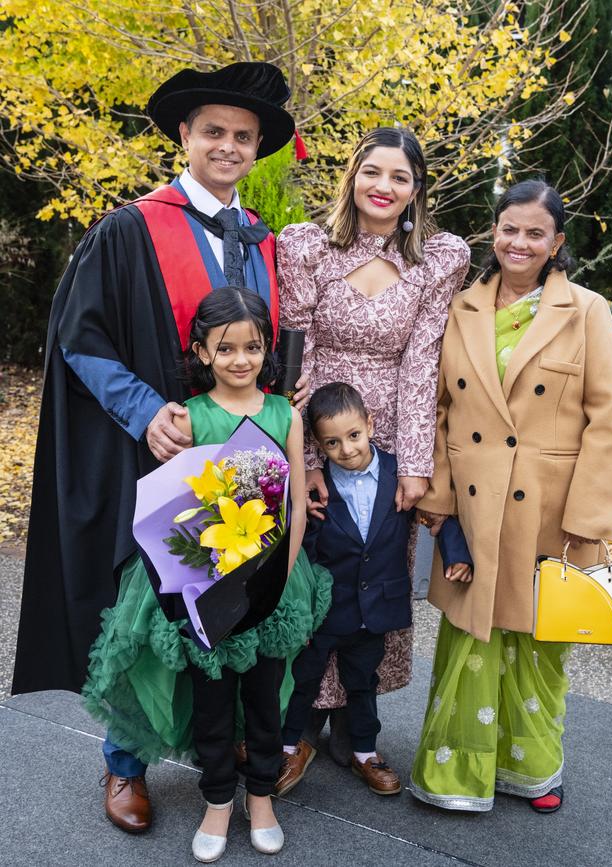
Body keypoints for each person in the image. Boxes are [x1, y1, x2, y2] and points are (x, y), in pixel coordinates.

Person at [12, 61, 309, 831]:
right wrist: (146, 411)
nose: (230, 146)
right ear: (185, 135)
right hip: (157, 452)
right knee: (144, 609)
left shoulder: (261, 239)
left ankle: (231, 749)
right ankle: (125, 763)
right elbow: (80, 337)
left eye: (244, 137)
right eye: (214, 131)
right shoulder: (132, 226)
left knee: (232, 602)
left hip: (241, 457)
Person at [83, 286, 332, 860]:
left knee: (267, 699)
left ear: (267, 348)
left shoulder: (284, 414)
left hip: (273, 579)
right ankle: (217, 801)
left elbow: (294, 501)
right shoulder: (188, 418)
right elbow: (178, 507)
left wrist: (282, 572)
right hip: (206, 581)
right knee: (214, 699)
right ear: (202, 353)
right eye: (225, 349)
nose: (240, 359)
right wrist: (206, 580)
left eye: (251, 347)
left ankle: (261, 798)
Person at [411, 179, 612, 814]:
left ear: (557, 243)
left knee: (539, 644)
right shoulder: (463, 307)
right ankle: (457, 774)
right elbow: (442, 412)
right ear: (493, 233)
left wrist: (590, 518)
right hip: (476, 507)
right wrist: (441, 502)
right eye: (510, 229)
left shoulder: (587, 310)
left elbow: (607, 419)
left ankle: (531, 767)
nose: (520, 243)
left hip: (549, 510)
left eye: (536, 233)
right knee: (469, 640)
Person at [276, 126, 470, 755]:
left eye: (400, 177)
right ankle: (296, 720)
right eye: (373, 172)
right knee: (313, 566)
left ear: (416, 190)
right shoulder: (309, 247)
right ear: (352, 176)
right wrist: (304, 458)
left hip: (386, 431)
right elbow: (295, 356)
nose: (383, 187)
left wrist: (414, 465)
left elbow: (422, 364)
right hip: (318, 430)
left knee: (371, 573)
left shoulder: (436, 261)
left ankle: (352, 723)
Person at [276, 383, 473, 798]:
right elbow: (305, 551)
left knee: (362, 684)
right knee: (304, 679)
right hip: (325, 609)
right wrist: (300, 610)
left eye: (353, 436)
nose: (345, 449)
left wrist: (457, 555)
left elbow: (438, 517)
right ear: (317, 444)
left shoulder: (399, 474)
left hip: (375, 608)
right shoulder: (316, 488)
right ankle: (287, 747)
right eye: (331, 442)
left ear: (370, 424)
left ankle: (365, 752)